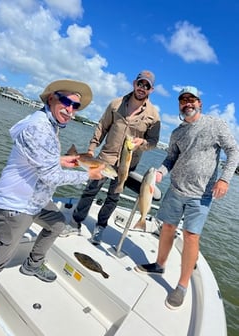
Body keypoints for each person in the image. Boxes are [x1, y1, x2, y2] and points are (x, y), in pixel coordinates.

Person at [0, 79, 104, 334]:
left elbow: (39, 159)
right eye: (66, 101)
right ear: (51, 98)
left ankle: (32, 264)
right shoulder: (40, 128)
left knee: (58, 223)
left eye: (75, 106)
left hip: (35, 200)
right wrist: (89, 175)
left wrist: (62, 159)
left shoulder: (49, 125)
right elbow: (51, 176)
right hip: (15, 206)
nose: (71, 109)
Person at [134, 86, 239, 310]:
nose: (187, 103)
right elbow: (171, 158)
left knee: (191, 236)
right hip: (175, 189)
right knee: (167, 229)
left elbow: (233, 151)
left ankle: (181, 286)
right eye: (183, 100)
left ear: (200, 103)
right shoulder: (177, 133)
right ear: (179, 106)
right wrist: (161, 172)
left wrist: (225, 179)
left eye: (191, 99)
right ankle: (159, 264)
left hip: (201, 194)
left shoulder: (215, 124)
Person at [61, 70, 161, 244]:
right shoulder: (116, 104)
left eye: (147, 86)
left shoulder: (153, 115)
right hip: (105, 158)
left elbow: (153, 141)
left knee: (113, 197)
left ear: (151, 90)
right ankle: (75, 222)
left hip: (128, 164)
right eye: (140, 83)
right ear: (134, 83)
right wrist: (92, 149)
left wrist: (142, 143)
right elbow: (102, 127)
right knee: (90, 190)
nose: (142, 88)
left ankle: (100, 227)